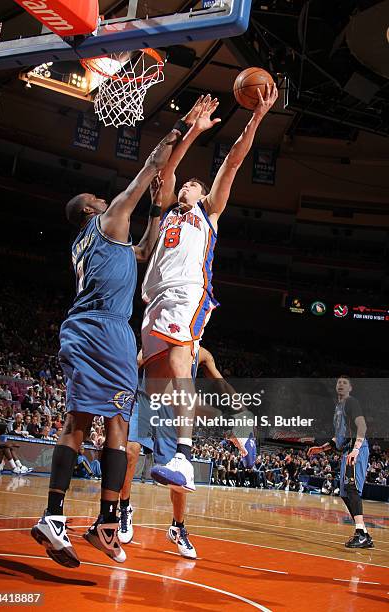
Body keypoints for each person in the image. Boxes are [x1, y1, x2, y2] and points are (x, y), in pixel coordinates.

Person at [30, 119, 189, 569]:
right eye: (93, 200)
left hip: (91, 329)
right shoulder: (107, 218)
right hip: (104, 329)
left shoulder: (93, 242)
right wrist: (180, 129)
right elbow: (149, 166)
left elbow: (142, 252)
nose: (101, 198)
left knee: (93, 418)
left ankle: (76, 518)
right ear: (88, 212)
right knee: (106, 420)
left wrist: (158, 212)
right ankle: (83, 518)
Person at [141, 85, 278, 493]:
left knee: (183, 367)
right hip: (154, 301)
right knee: (160, 397)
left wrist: (256, 118)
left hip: (189, 293)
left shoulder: (208, 212)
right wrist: (192, 132)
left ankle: (183, 458)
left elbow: (233, 162)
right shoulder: (166, 212)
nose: (188, 187)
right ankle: (237, 432)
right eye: (187, 185)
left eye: (194, 186)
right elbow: (166, 171)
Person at [118, 346, 237, 558]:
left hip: (173, 410)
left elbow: (220, 383)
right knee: (130, 451)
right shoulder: (157, 339)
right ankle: (124, 509)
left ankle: (177, 527)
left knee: (178, 473)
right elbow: (134, 364)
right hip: (145, 399)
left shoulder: (201, 353)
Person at [308, 375, 373, 548]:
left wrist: (356, 449)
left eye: (345, 383)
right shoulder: (338, 407)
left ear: (350, 388)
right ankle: (364, 533)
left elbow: (362, 426)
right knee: (344, 493)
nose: (341, 384)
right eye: (339, 382)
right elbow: (339, 436)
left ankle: (360, 533)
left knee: (351, 489)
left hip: (355, 450)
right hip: (346, 451)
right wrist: (321, 449)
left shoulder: (352, 402)